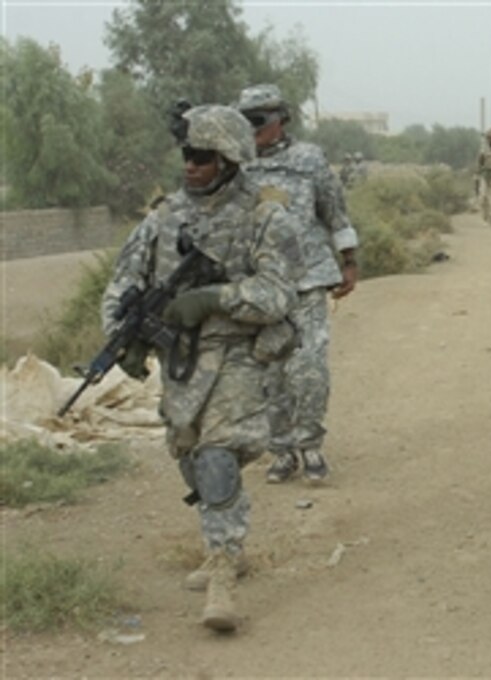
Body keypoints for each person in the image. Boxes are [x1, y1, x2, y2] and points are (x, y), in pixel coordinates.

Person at [102, 104, 300, 632]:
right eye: (187, 154)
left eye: (203, 156)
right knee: (189, 456)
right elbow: (122, 285)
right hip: (181, 363)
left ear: (231, 160)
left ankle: (221, 574)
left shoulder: (265, 217)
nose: (190, 165)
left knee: (216, 457)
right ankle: (226, 545)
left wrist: (214, 298)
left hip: (237, 354)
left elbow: (277, 295)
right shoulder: (162, 219)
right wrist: (123, 338)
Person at [234, 83, 360, 484]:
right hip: (259, 286)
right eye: (244, 122)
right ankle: (282, 451)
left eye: (259, 121)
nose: (252, 130)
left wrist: (349, 260)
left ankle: (311, 445)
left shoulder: (308, 160)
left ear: (280, 120)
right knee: (270, 375)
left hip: (308, 279)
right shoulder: (234, 165)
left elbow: (335, 212)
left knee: (309, 368)